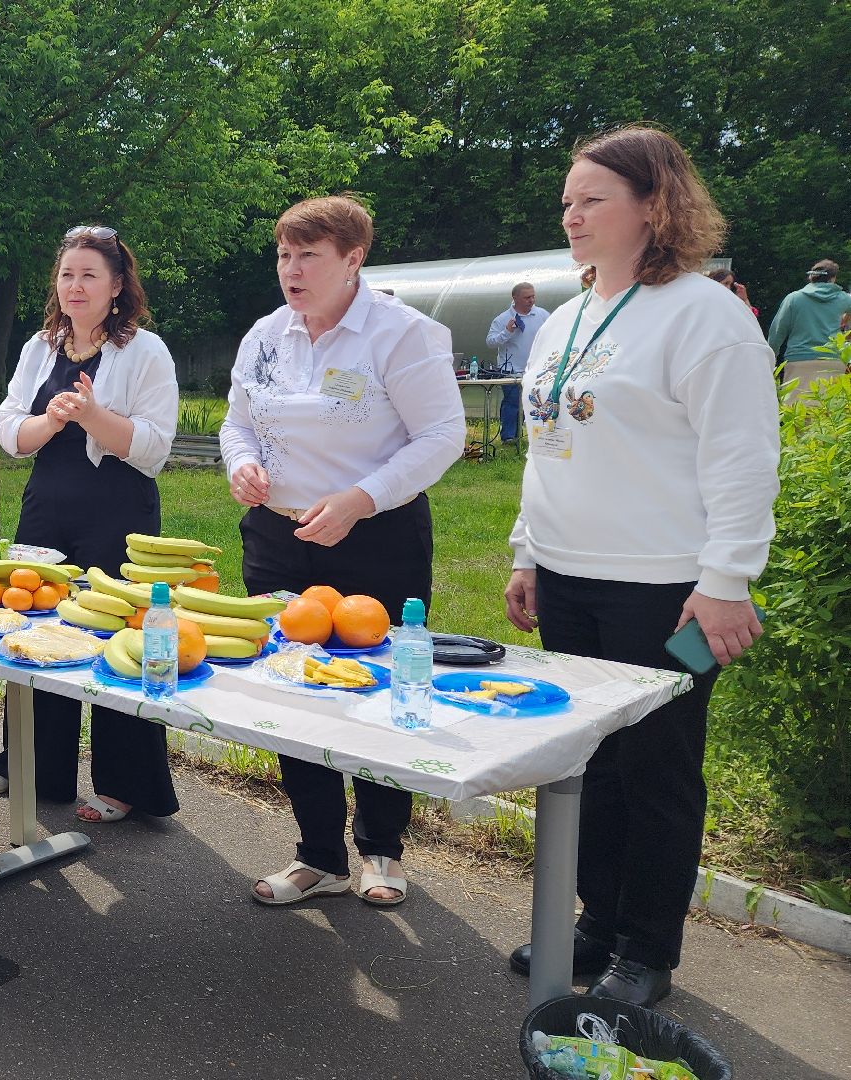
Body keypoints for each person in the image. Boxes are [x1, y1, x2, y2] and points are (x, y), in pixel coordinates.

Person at [504, 126, 778, 1006]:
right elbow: (544, 447)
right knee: (590, 761)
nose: (572, 217)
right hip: (570, 581)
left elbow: (742, 457)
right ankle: (596, 922)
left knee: (658, 766)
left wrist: (728, 579)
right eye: (567, 203)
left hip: (669, 590)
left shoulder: (705, 315)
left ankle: (648, 950)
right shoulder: (566, 316)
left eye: (592, 201)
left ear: (655, 206)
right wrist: (527, 555)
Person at [220, 194, 464, 908]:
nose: (290, 271)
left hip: (374, 537)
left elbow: (441, 437)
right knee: (292, 685)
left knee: (379, 683)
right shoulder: (266, 335)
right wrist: (241, 465)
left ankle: (383, 850)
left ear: (353, 260)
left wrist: (361, 499)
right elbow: (240, 424)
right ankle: (318, 853)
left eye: (308, 257)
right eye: (283, 256)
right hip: (276, 538)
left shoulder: (402, 334)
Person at [0, 225, 180, 823]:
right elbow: (9, 428)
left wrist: (96, 415)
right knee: (37, 628)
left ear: (117, 286)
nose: (75, 286)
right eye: (67, 274)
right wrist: (50, 420)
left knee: (114, 637)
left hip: (117, 510)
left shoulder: (146, 350)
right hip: (47, 503)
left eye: (89, 275)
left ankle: (127, 783)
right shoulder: (40, 345)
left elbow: (154, 449)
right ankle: (38, 767)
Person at [484, 282, 549, 442]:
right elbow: (490, 342)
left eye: (533, 296)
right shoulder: (502, 319)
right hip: (511, 370)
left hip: (538, 369)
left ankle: (539, 435)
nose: (531, 300)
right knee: (512, 404)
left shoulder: (542, 315)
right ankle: (509, 437)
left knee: (539, 402)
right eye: (527, 297)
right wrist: (506, 332)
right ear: (515, 298)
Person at [766, 259, 851, 369]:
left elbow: (777, 332)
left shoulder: (793, 298)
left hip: (799, 360)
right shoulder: (843, 298)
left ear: (812, 277)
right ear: (833, 278)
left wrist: (770, 360)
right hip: (832, 359)